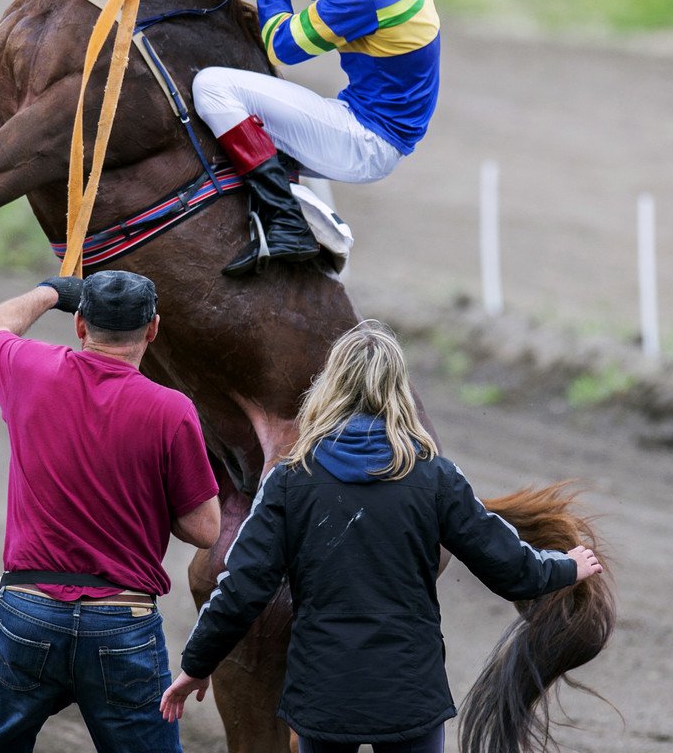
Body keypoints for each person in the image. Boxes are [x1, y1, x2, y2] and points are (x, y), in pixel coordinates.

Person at [158, 321, 602, 752]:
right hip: (409, 695)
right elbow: (508, 567)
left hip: (323, 696)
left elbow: (241, 588)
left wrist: (198, 665)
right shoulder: (435, 478)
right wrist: (566, 567)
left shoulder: (291, 481)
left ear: (329, 386)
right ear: (399, 390)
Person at [0, 270, 222, 753]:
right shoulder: (171, 410)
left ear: (80, 325)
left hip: (27, 612)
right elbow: (206, 529)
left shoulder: (30, 369)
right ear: (153, 329)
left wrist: (50, 292)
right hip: (121, 622)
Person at [191, 0, 442, 276]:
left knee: (213, 88)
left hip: (366, 140)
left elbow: (282, 46)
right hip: (366, 128)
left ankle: (287, 222)